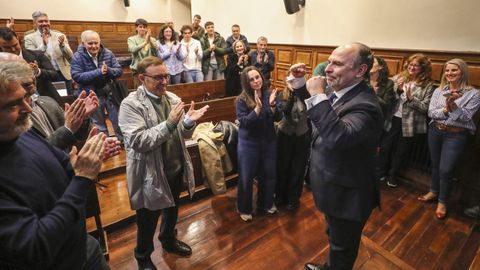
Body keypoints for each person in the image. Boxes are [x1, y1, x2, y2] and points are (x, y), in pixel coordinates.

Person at [0, 60, 109, 270]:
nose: (28, 108)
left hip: (82, 248)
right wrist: (82, 177)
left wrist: (89, 156)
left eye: (25, 98)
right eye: (13, 105)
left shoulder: (21, 132)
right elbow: (36, 247)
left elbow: (62, 162)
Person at [297, 43, 383, 270]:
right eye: (330, 61)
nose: (327, 68)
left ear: (360, 71)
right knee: (334, 235)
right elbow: (321, 115)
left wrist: (316, 94)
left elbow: (338, 137)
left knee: (343, 249)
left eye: (337, 64)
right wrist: (299, 85)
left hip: (349, 196)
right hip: (334, 189)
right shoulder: (339, 92)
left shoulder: (366, 105)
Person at [118, 56, 209, 270]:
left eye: (166, 76)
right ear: (142, 78)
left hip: (174, 168)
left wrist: (187, 122)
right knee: (147, 220)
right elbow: (137, 141)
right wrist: (169, 124)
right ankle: (143, 257)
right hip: (151, 172)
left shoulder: (172, 97)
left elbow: (181, 133)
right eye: (158, 77)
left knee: (172, 210)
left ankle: (168, 239)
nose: (165, 81)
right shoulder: (130, 104)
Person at [418, 58, 480, 219]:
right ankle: (433, 191)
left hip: (456, 135)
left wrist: (454, 107)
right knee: (436, 165)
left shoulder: (473, 94)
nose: (449, 73)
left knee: (447, 169)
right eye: (447, 70)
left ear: (463, 72)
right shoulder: (439, 91)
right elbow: (432, 113)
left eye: (454, 70)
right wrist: (447, 109)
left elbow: (466, 117)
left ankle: (442, 201)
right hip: (435, 130)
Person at [378, 53, 434, 188]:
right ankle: (381, 172)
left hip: (410, 123)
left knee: (401, 151)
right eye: (411, 64)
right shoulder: (398, 78)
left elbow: (425, 108)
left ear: (422, 68)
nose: (412, 67)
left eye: (416, 65)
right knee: (385, 146)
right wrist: (397, 90)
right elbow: (388, 99)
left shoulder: (427, 85)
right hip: (393, 118)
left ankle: (393, 175)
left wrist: (410, 98)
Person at [235, 66, 280, 222]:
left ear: (262, 77)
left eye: (257, 77)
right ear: (246, 83)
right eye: (251, 79)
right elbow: (245, 123)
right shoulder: (241, 99)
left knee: (269, 174)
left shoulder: (269, 94)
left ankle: (265, 203)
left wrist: (273, 105)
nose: (255, 81)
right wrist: (257, 109)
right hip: (249, 143)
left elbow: (276, 117)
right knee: (246, 177)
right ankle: (244, 207)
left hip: (268, 141)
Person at [71, 30, 124, 141]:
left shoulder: (108, 53)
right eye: (90, 43)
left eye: (96, 43)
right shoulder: (77, 57)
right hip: (91, 95)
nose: (94, 46)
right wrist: (99, 72)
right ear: (83, 43)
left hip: (109, 93)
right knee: (98, 125)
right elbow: (77, 76)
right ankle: (105, 146)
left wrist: (108, 70)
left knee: (119, 121)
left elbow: (119, 70)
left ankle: (123, 143)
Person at [275, 65, 311, 211]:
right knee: (283, 166)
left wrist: (299, 89)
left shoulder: (306, 93)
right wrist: (290, 93)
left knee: (298, 168)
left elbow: (310, 106)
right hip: (285, 135)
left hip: (302, 135)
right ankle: (280, 196)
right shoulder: (281, 95)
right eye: (291, 78)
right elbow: (286, 111)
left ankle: (293, 199)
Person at [0, 26, 61, 104]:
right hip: (17, 104)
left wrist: (38, 71)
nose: (13, 49)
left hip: (47, 101)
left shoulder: (37, 55)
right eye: (7, 47)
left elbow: (55, 75)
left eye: (15, 45)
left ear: (19, 40)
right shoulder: (1, 62)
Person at [24, 11, 74, 94]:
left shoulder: (60, 35)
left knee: (67, 100)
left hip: (63, 74)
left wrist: (62, 46)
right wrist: (43, 44)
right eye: (40, 21)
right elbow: (31, 57)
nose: (44, 23)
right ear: (34, 23)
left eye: (46, 21)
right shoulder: (29, 38)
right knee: (51, 102)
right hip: (44, 75)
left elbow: (70, 56)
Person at [128, 18, 159, 88]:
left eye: (144, 27)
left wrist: (149, 40)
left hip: (150, 69)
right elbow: (133, 49)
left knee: (151, 88)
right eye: (140, 27)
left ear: (147, 29)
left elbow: (156, 49)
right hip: (137, 70)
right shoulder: (131, 39)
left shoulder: (152, 39)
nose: (142, 29)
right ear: (136, 28)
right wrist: (146, 42)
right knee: (139, 90)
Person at [369, 56, 395, 121]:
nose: (370, 64)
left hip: (377, 119)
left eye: (373, 62)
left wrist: (374, 95)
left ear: (380, 67)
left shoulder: (388, 83)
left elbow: (386, 106)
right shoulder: (361, 80)